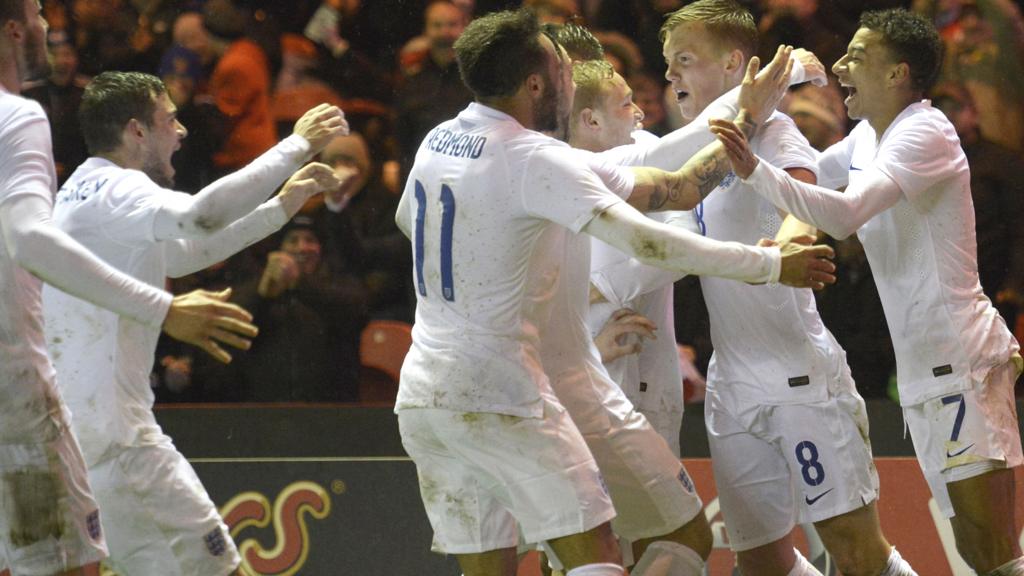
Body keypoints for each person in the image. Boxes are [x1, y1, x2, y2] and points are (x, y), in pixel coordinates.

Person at [395, 8, 836, 576]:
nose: (572, 84)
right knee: (602, 553)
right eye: (562, 74)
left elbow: (411, 220)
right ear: (536, 84)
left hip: (426, 392)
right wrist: (769, 265)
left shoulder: (439, 140)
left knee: (498, 566)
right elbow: (654, 244)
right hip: (506, 387)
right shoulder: (536, 158)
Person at [711, 8, 1024, 576]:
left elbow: (845, 210)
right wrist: (764, 103)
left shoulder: (926, 131)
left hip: (962, 359)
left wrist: (753, 167)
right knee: (977, 551)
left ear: (897, 73)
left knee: (996, 553)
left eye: (857, 55)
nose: (840, 64)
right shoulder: (863, 138)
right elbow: (806, 174)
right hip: (922, 371)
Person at [42, 71, 345, 575]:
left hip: (88, 438)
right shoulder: (118, 190)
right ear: (137, 131)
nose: (181, 132)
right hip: (121, 444)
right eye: (171, 119)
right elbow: (200, 217)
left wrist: (282, 206)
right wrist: (295, 146)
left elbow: (183, 255)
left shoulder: (81, 191)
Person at [0, 1, 260, 574]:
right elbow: (30, 243)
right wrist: (165, 310)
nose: (48, 26)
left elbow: (196, 244)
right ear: (14, 31)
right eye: (40, 12)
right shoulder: (19, 118)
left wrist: (287, 200)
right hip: (25, 397)